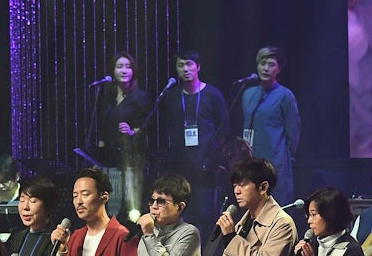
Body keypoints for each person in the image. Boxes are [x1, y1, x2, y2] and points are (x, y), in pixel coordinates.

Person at [160, 50, 229, 225]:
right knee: (183, 212)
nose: (185, 69)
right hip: (181, 164)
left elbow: (224, 128)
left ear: (198, 67)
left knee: (205, 213)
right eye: (181, 65)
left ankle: (206, 251)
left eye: (189, 64)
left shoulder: (213, 94)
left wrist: (212, 157)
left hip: (206, 164)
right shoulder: (172, 96)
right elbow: (169, 127)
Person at [240, 46, 301, 202]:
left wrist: (286, 158)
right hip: (252, 160)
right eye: (262, 63)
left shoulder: (285, 95)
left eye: (271, 65)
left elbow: (292, 132)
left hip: (276, 161)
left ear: (278, 69)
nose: (266, 68)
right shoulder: (248, 93)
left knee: (277, 204)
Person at [98, 52, 151, 221]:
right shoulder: (107, 97)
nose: (124, 70)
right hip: (110, 158)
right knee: (112, 204)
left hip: (131, 158)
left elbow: (146, 126)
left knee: (131, 207)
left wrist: (131, 131)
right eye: (119, 66)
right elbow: (101, 127)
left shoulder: (140, 97)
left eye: (128, 67)